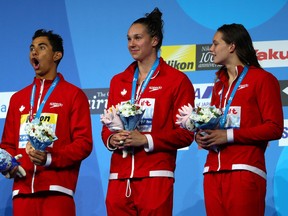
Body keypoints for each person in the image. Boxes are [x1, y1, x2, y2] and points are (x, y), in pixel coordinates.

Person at [101, 7, 195, 216]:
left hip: (156, 177)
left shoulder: (177, 81)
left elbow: (186, 134)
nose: (131, 44)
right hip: (119, 178)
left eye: (137, 38)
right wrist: (112, 139)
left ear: (154, 41)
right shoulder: (118, 81)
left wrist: (146, 140)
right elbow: (106, 127)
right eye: (128, 39)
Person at [0, 29, 93, 216]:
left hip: (57, 192)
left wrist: (50, 158)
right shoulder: (18, 98)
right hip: (22, 193)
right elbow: (8, 144)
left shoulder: (74, 95)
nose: (34, 52)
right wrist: (7, 164)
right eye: (32, 48)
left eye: (41, 48)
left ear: (57, 55)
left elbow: (83, 143)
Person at [195, 24, 283, 216]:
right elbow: (218, 126)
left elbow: (275, 128)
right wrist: (203, 137)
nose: (210, 49)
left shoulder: (262, 79)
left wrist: (228, 135)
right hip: (212, 172)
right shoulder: (218, 86)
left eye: (215, 43)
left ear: (232, 46)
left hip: (245, 170)